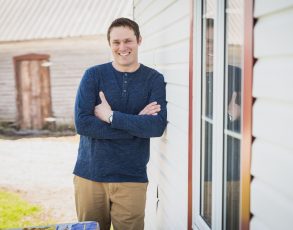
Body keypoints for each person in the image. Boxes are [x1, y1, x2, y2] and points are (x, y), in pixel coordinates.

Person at [73, 17, 167, 230]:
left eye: (128, 41)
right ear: (110, 44)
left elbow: (155, 127)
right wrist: (135, 125)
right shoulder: (93, 75)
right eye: (116, 42)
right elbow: (83, 124)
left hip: (131, 178)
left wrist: (111, 116)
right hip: (90, 176)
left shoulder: (153, 79)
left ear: (139, 40)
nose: (122, 47)